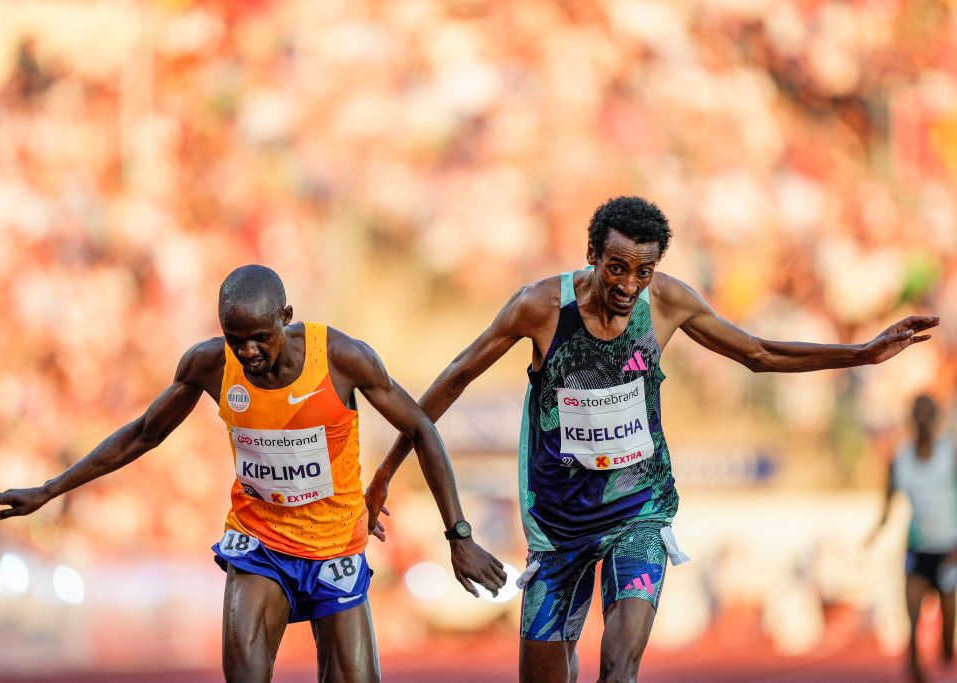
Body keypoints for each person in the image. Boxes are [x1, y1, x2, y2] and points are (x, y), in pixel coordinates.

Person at [365, 196, 940, 683]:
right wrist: (389, 469)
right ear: (591, 256)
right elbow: (454, 379)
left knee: (618, 666)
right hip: (557, 526)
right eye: (617, 268)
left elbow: (758, 354)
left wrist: (861, 353)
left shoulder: (666, 302)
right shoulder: (539, 307)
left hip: (637, 514)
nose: (629, 285)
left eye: (643, 271)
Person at [0, 264, 506, 683]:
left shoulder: (343, 359)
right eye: (235, 338)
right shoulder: (210, 364)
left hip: (335, 548)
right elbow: (143, 433)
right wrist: (48, 490)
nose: (248, 351)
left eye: (258, 337)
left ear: (286, 317)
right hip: (260, 543)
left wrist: (458, 535)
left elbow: (422, 429)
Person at [868, 394, 957, 683]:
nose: (921, 420)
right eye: (916, 414)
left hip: (948, 552)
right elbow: (889, 497)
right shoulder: (901, 459)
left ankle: (945, 647)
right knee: (912, 626)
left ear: (935, 419)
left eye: (927, 414)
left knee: (946, 645)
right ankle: (916, 673)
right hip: (917, 549)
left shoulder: (950, 455)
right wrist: (876, 530)